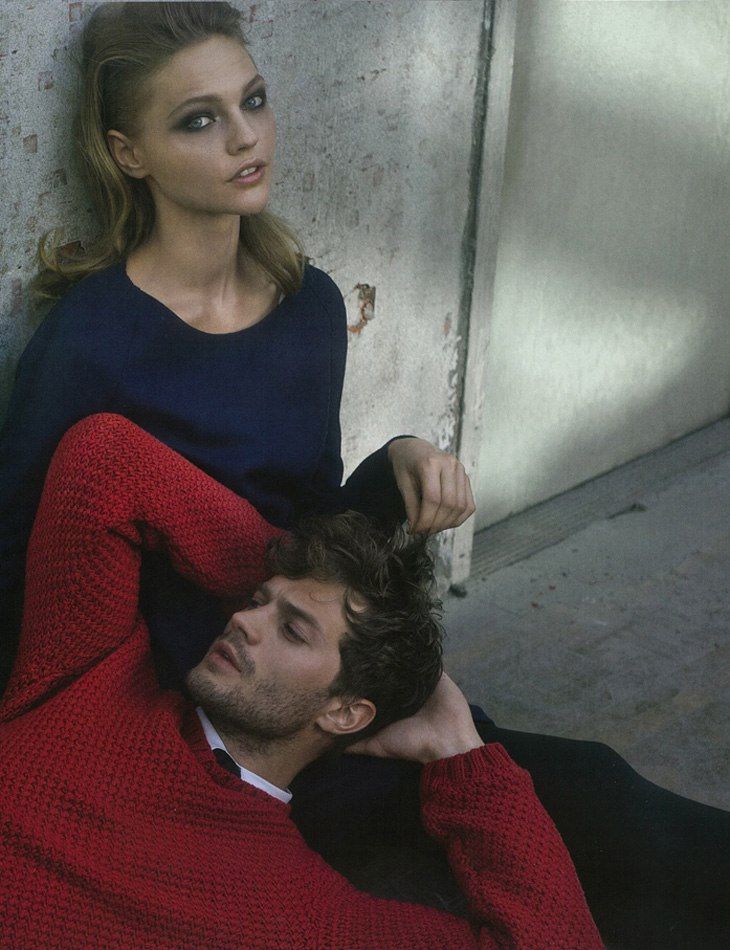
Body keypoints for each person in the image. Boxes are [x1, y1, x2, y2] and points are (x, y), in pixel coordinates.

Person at [1, 4, 727, 948]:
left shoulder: (307, 305)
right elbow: (27, 581)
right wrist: (287, 591)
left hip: (311, 663)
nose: (246, 137)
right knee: (534, 839)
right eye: (199, 119)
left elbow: (319, 529)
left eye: (253, 100)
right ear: (127, 153)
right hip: (203, 706)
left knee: (595, 791)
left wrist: (397, 466)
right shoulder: (91, 341)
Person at [0, 412, 602, 949]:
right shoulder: (90, 674)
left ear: (345, 712)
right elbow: (106, 459)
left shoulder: (299, 915)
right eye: (256, 600)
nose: (242, 620)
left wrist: (463, 757)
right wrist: (298, 560)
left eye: (292, 630)